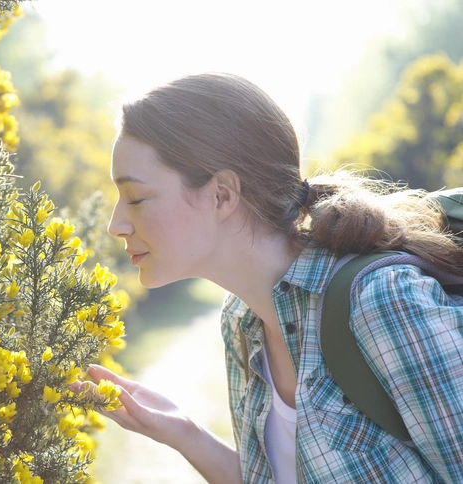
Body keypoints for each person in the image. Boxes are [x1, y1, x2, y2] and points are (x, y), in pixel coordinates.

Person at [69, 73, 463, 483]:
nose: (116, 224)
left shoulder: (380, 302)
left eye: (135, 198)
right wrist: (183, 433)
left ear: (222, 194)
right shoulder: (240, 319)